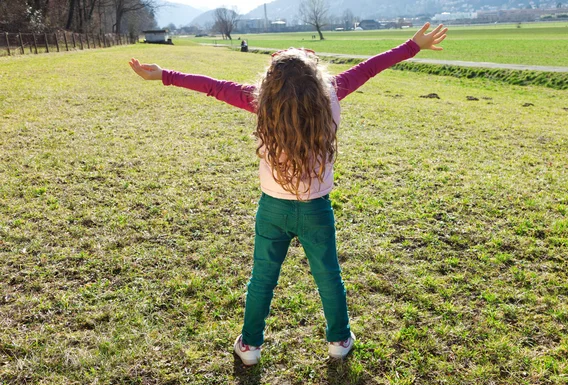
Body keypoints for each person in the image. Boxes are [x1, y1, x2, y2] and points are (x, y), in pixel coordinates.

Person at [129, 22, 447, 366]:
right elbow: (369, 67)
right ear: (316, 77)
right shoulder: (331, 93)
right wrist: (411, 46)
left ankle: (250, 347)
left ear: (271, 82)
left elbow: (213, 87)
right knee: (328, 276)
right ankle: (339, 339)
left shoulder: (260, 101)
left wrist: (164, 75)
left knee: (262, 279)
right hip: (316, 210)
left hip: (272, 210)